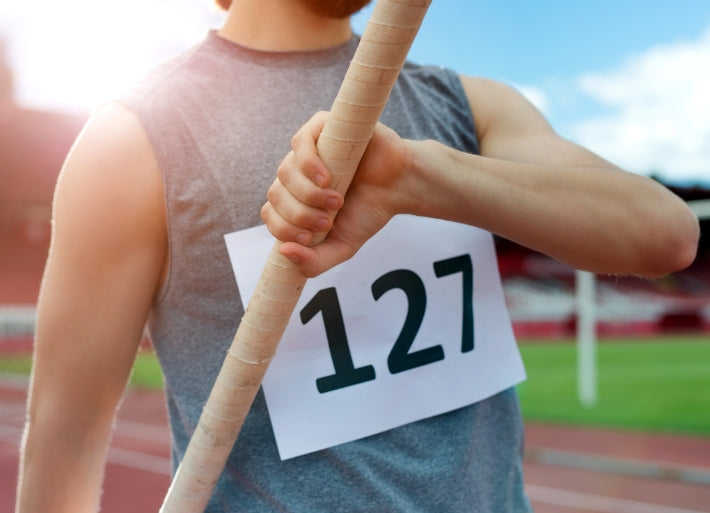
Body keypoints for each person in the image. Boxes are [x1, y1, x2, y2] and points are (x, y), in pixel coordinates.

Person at [16, 0, 699, 512]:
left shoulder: (465, 105)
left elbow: (664, 233)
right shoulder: (133, 139)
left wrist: (422, 179)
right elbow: (63, 436)